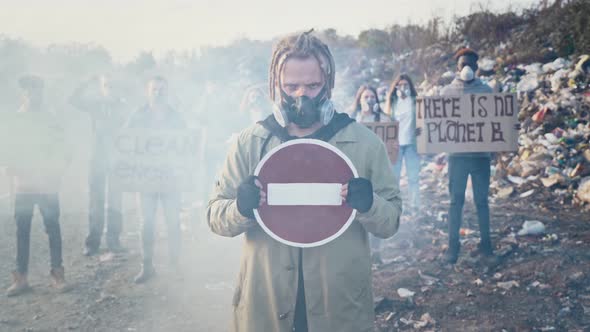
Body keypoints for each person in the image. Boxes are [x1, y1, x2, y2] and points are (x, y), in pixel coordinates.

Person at [207, 30, 402, 332]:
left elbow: (390, 223)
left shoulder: (364, 143)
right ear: (275, 86)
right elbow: (216, 217)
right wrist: (240, 208)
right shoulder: (250, 142)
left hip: (338, 305)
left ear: (329, 83)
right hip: (267, 305)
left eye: (312, 85)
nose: (302, 95)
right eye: (291, 86)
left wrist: (370, 204)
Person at [6, 75, 68, 296]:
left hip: (47, 185)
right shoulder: (15, 120)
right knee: (22, 232)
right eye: (29, 91)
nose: (34, 94)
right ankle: (21, 278)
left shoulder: (51, 119)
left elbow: (63, 150)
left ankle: (57, 275)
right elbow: (7, 152)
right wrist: (9, 182)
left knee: (53, 229)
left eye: (37, 90)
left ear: (42, 92)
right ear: (23, 93)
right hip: (24, 185)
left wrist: (58, 175)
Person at [126, 76, 186, 284]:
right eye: (154, 89)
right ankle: (147, 266)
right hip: (146, 178)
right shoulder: (137, 115)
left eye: (161, 90)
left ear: (167, 92)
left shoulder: (176, 117)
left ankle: (175, 265)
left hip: (170, 178)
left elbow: (186, 147)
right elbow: (126, 143)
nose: (158, 93)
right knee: (147, 224)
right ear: (147, 91)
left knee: (173, 222)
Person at [439, 48, 496, 265]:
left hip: (481, 157)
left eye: (471, 64)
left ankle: (486, 246)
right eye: (463, 64)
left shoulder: (487, 91)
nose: (467, 68)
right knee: (455, 202)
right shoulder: (447, 93)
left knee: (482, 202)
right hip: (457, 157)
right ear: (457, 67)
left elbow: (496, 121)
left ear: (477, 67)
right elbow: (440, 123)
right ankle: (453, 247)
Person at [69, 75, 127, 256]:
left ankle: (114, 240)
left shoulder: (124, 106)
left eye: (113, 85)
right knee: (96, 202)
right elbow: (73, 100)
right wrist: (86, 82)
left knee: (116, 201)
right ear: (101, 88)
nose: (110, 89)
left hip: (117, 159)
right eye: (106, 85)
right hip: (97, 158)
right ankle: (92, 242)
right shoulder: (94, 104)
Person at [385, 74, 421, 212]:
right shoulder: (392, 103)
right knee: (395, 177)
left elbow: (422, 121)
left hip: (412, 144)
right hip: (396, 145)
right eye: (400, 85)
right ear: (396, 87)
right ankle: (395, 205)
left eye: (406, 85)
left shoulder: (415, 102)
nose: (403, 88)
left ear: (410, 87)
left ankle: (414, 205)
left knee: (413, 177)